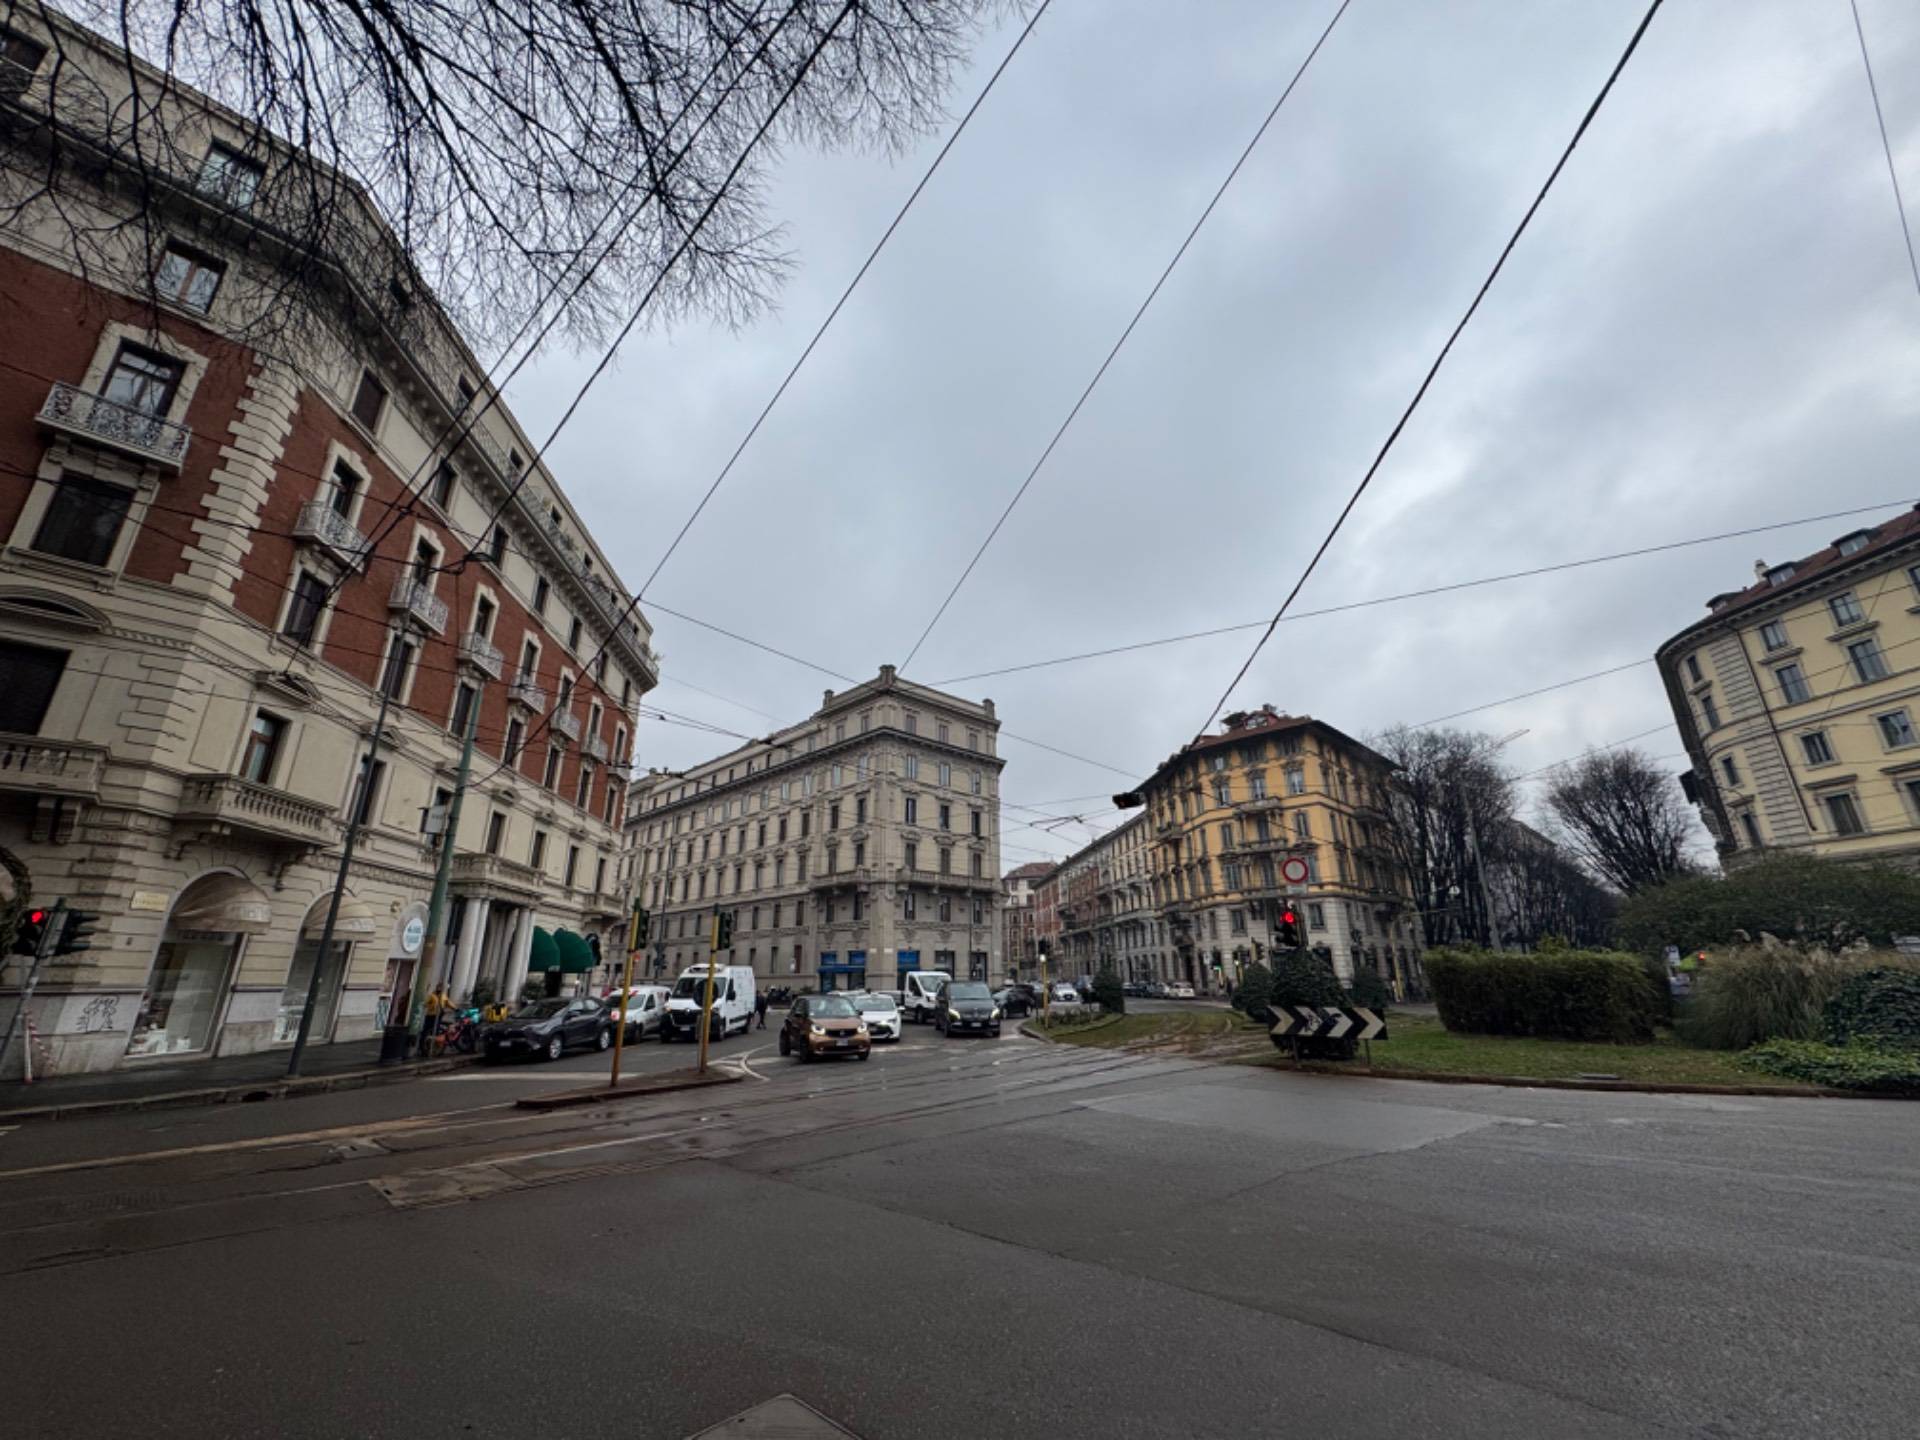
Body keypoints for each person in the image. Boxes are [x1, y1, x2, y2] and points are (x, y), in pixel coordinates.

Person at [420, 982, 451, 1054]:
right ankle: (423, 1047)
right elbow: (425, 1003)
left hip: (439, 1015)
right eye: (439, 987)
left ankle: (434, 1048)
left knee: (436, 1030)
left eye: (441, 988)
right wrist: (431, 1006)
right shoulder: (432, 995)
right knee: (426, 1030)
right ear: (437, 987)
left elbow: (449, 1003)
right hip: (431, 1015)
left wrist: (455, 1008)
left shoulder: (443, 996)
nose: (440, 989)